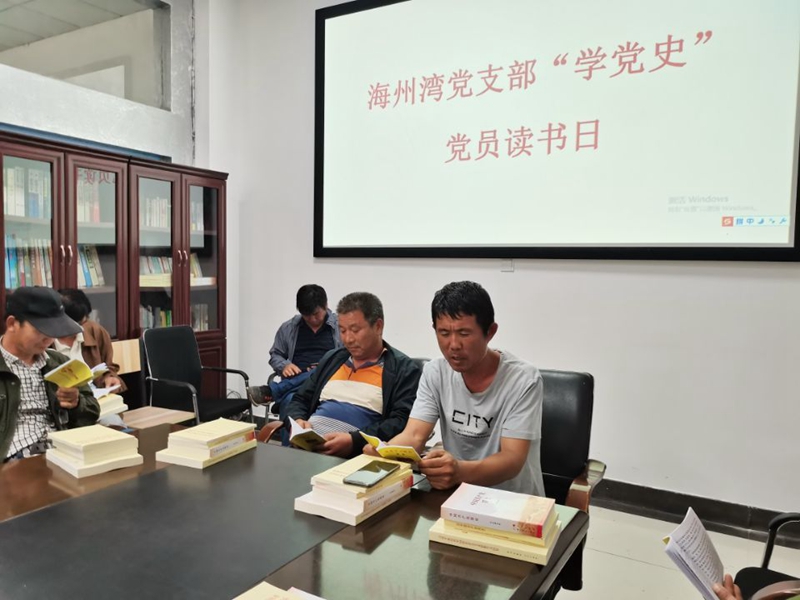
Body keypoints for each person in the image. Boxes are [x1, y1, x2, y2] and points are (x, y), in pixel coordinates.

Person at [373, 281, 545, 495]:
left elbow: (512, 460)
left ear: (490, 332)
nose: (453, 345)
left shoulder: (523, 379)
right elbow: (414, 435)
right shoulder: (435, 372)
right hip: (457, 495)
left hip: (513, 501)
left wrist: (459, 471)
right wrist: (385, 453)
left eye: (464, 333)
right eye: (444, 333)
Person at [284, 291, 421, 458]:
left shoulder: (402, 369)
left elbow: (399, 422)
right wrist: (298, 420)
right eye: (342, 330)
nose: (348, 339)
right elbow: (300, 399)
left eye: (355, 330)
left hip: (356, 456)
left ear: (378, 326)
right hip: (308, 449)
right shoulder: (333, 359)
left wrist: (354, 441)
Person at [1, 287, 100, 461]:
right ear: (12, 324)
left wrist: (76, 403)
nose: (49, 339)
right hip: (17, 456)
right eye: (40, 331)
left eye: (54, 331)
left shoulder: (59, 363)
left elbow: (92, 413)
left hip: (63, 448)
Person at [248, 284, 342, 415]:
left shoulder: (341, 327)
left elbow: (348, 357)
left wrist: (323, 368)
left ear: (326, 305)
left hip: (329, 385)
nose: (312, 319)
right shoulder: (289, 328)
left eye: (316, 314)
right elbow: (276, 354)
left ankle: (274, 391)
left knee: (322, 369)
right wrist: (284, 365)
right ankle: (280, 392)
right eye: (307, 315)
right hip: (297, 389)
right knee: (290, 403)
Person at [56, 288, 124, 390]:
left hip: (94, 394)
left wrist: (109, 378)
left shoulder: (95, 331)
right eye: (75, 325)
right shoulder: (44, 341)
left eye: (83, 322)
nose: (80, 329)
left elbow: (108, 366)